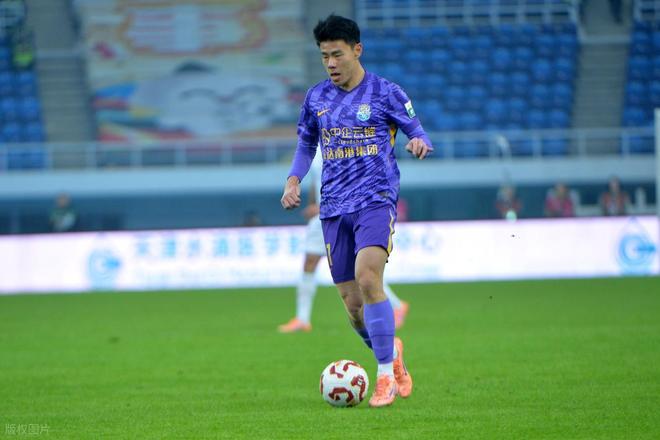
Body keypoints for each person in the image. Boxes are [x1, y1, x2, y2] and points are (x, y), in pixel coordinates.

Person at [280, 14, 432, 408]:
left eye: (337, 54)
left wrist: (418, 142)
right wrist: (293, 180)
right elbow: (305, 145)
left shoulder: (385, 93)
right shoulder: (316, 98)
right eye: (324, 56)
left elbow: (417, 130)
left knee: (368, 278)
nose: (330, 63)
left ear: (357, 50)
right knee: (352, 306)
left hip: (375, 201)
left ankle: (384, 379)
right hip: (333, 208)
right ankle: (391, 354)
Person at [278, 146, 410, 334]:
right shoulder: (316, 148)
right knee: (309, 262)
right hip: (323, 214)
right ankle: (302, 319)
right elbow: (316, 181)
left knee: (361, 270)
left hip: (345, 212)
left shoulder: (345, 142)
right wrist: (313, 205)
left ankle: (396, 305)